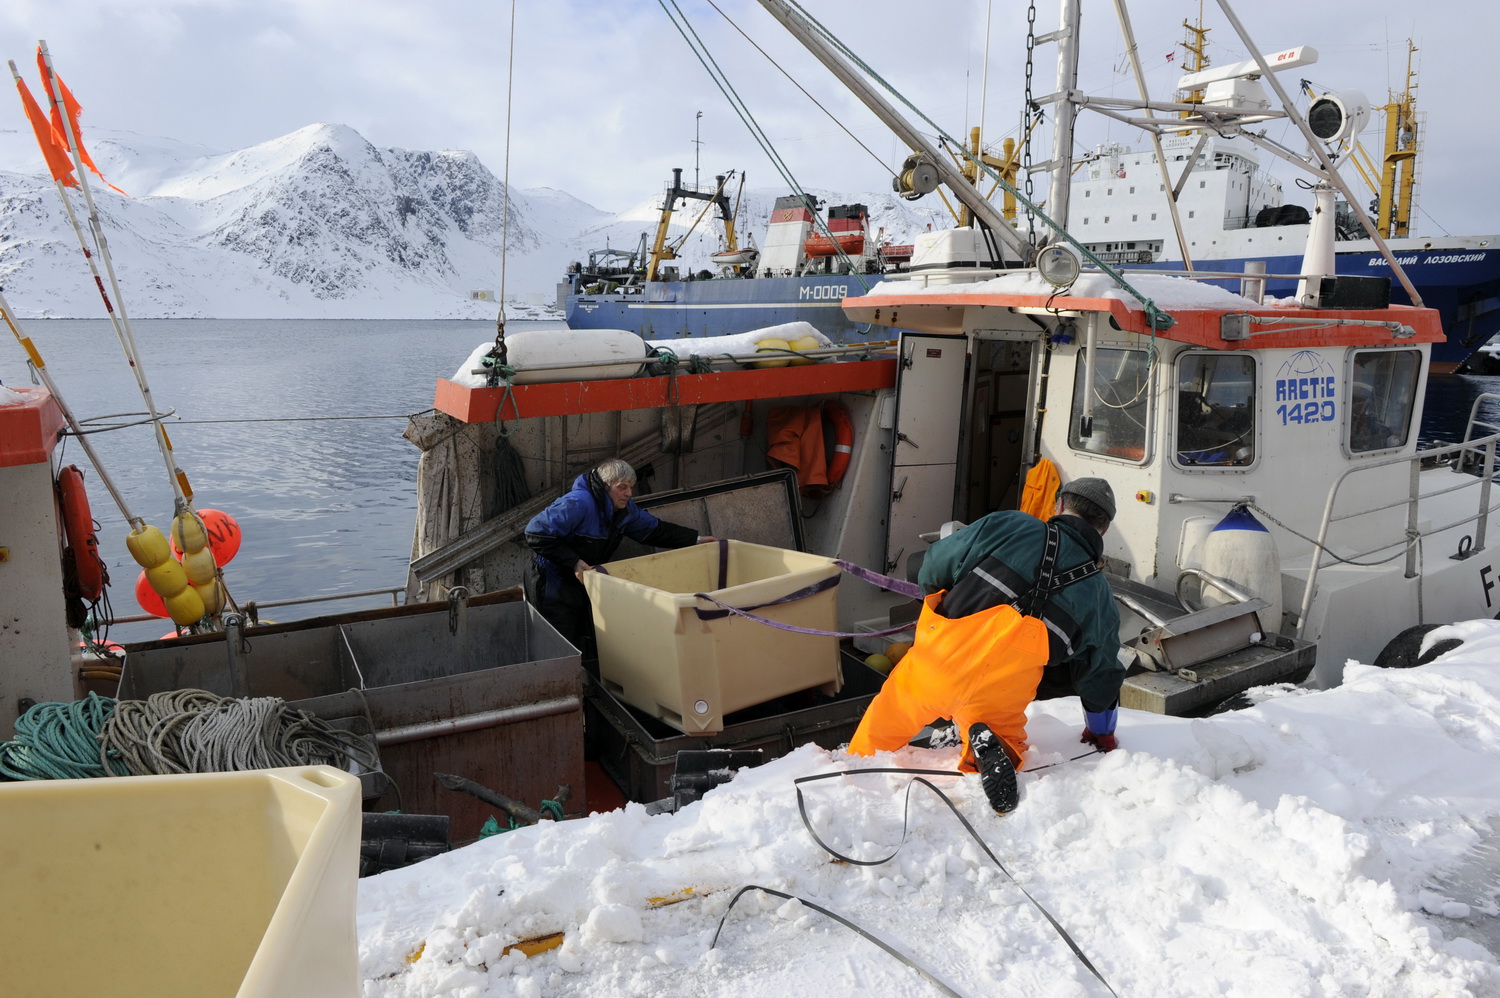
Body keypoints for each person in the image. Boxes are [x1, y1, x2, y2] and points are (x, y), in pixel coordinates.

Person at [847, 477, 1123, 814]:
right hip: (1002, 690)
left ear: (1060, 505)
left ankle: (849, 772)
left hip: (936, 661)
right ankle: (992, 747)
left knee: (883, 724)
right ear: (1103, 531)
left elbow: (933, 565)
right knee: (1009, 740)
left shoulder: (1010, 524)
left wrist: (945, 599)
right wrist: (1102, 733)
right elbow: (1103, 676)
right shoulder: (1101, 598)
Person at [525, 458, 711, 650]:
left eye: (631, 487)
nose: (629, 493)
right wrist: (573, 561)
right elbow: (534, 532)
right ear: (606, 486)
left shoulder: (624, 510)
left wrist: (696, 539)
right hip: (551, 579)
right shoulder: (579, 502)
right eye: (622, 487)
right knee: (560, 642)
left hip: (581, 579)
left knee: (586, 637)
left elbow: (655, 530)